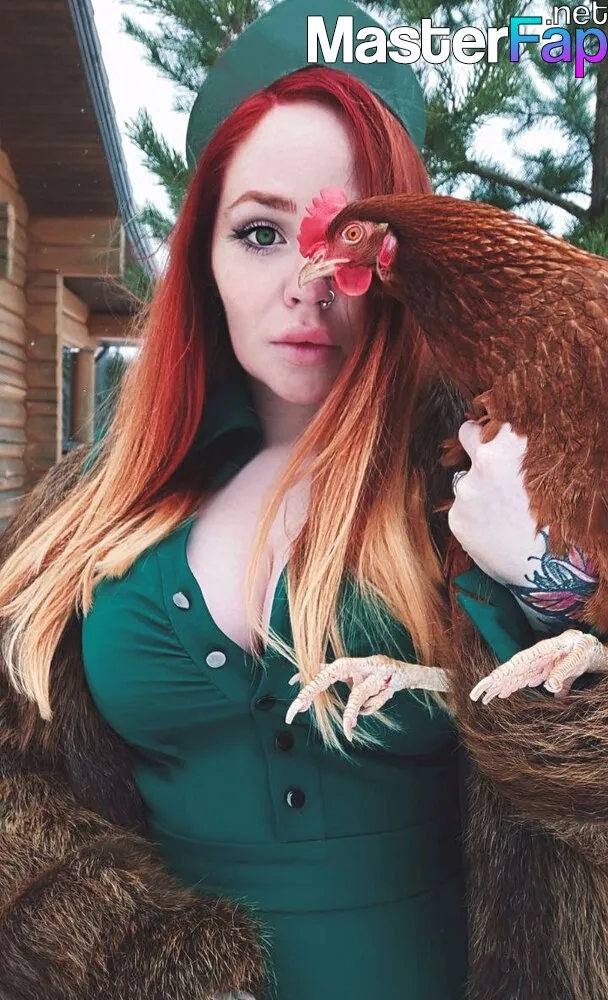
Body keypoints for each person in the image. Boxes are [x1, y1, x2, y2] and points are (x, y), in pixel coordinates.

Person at [1, 3, 607, 1000]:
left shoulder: (492, 477)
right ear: (201, 256)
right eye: (259, 232)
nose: (309, 283)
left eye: (345, 243)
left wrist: (546, 587)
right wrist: (121, 949)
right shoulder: (87, 512)